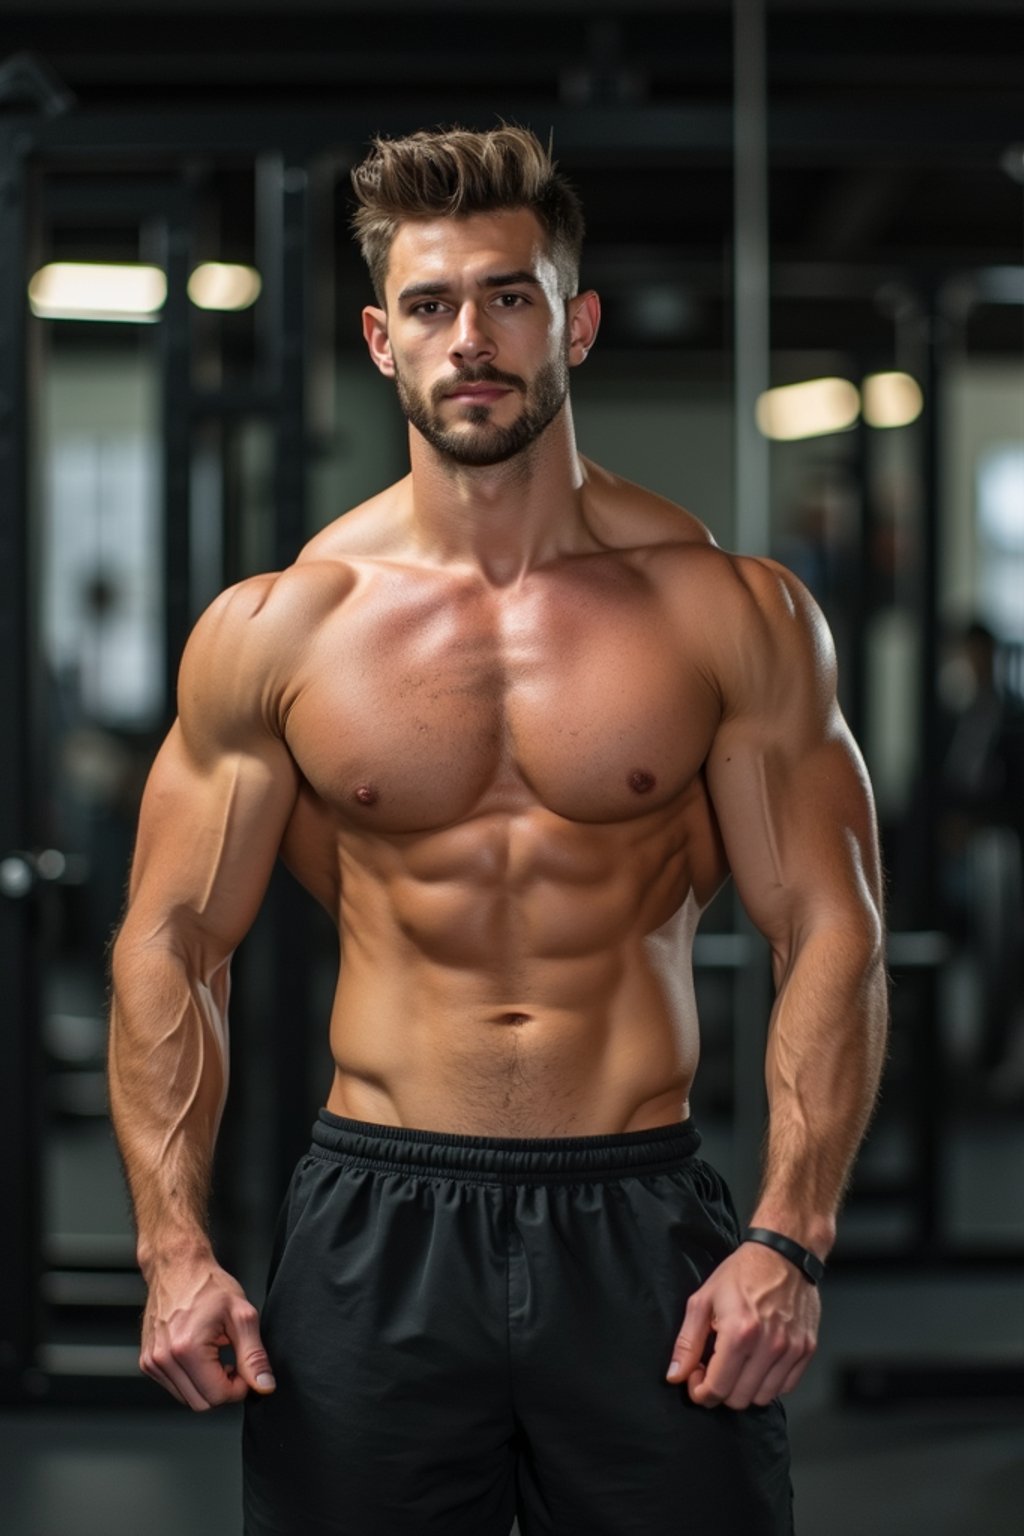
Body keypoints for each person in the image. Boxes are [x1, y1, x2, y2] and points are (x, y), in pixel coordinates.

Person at [108, 125, 887, 1536]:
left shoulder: (731, 613)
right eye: (430, 304)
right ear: (378, 338)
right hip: (376, 1219)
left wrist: (791, 1235)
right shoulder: (284, 626)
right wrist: (172, 1249)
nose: (472, 338)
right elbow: (171, 938)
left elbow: (831, 923)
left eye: (511, 297)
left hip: (641, 1220)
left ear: (574, 323)